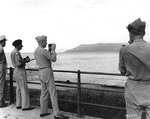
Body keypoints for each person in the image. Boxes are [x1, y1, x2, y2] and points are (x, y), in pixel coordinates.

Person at [119, 18, 150, 119]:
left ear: (131, 33)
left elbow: (122, 71)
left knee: (133, 117)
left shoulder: (124, 50)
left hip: (133, 90)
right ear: (143, 32)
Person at [34, 35, 69, 119]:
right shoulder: (43, 50)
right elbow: (53, 59)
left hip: (41, 72)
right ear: (41, 42)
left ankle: (43, 111)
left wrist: (49, 51)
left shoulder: (36, 51)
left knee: (44, 92)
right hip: (47, 71)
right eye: (45, 41)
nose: (46, 43)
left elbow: (46, 57)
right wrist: (53, 50)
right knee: (53, 93)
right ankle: (57, 114)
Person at [11, 39, 34, 111]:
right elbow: (19, 63)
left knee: (18, 88)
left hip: (16, 71)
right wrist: (26, 61)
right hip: (20, 71)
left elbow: (18, 61)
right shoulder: (17, 52)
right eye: (21, 45)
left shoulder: (13, 52)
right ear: (18, 45)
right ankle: (25, 106)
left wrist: (23, 60)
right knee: (24, 88)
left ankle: (19, 104)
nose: (22, 46)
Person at [0, 35, 8, 107]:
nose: (5, 43)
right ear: (2, 41)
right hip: (1, 66)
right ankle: (1, 102)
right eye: (5, 41)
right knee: (2, 84)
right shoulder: (0, 48)